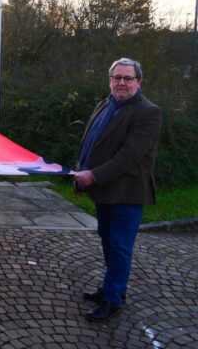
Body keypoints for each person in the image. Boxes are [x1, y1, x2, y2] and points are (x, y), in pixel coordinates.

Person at [73, 57, 162, 322]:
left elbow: (129, 155)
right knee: (108, 242)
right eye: (117, 77)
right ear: (110, 80)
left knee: (120, 246)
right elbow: (92, 140)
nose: (121, 83)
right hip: (104, 189)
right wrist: (81, 166)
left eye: (127, 78)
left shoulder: (148, 112)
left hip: (127, 192)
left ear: (139, 82)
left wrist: (94, 175)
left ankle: (113, 301)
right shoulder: (106, 104)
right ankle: (112, 288)